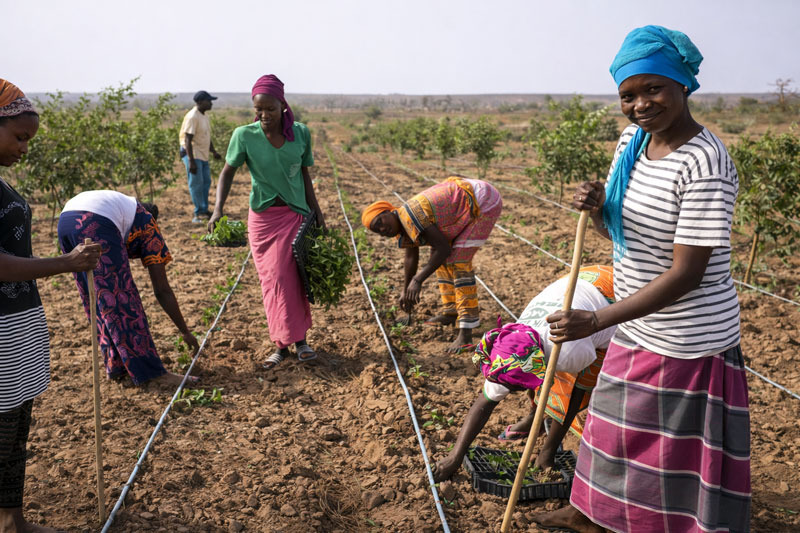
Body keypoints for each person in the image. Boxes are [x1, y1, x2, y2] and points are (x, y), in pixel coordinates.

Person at [533, 26, 750, 533]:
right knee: (611, 427)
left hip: (688, 336)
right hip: (639, 318)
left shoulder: (705, 162)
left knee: (667, 450)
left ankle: (660, 522)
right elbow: (621, 224)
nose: (640, 104)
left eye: (653, 89)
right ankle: (592, 511)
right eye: (628, 95)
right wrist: (598, 206)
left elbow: (687, 273)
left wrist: (597, 319)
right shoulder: (633, 141)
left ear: (682, 86)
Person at [0, 79, 101, 533]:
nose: (24, 148)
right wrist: (66, 262)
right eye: (19, 137)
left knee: (16, 427)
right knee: (2, 432)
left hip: (16, 322)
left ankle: (12, 518)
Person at [432, 265, 616, 482]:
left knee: (574, 383)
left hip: (611, 295)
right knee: (548, 379)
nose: (511, 393)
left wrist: (549, 451)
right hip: (580, 280)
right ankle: (534, 420)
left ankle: (547, 448)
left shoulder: (571, 351)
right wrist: (455, 456)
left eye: (516, 388)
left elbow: (575, 393)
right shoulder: (510, 350)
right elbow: (484, 402)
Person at [208, 74, 326, 370]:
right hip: (263, 218)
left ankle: (299, 342)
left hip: (295, 214)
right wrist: (217, 209)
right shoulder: (244, 135)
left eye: (270, 109)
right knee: (273, 280)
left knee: (293, 278)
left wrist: (318, 212)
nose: (263, 116)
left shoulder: (300, 133)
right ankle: (282, 344)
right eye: (258, 110)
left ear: (282, 106)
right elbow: (227, 172)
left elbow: (304, 176)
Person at [58, 190, 200, 387]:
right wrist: (185, 331)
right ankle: (152, 373)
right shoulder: (147, 223)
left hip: (66, 220)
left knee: (96, 297)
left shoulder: (125, 211)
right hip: (95, 222)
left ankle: (117, 366)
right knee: (122, 299)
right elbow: (162, 289)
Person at [361, 176, 502, 352]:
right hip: (467, 199)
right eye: (378, 231)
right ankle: (451, 312)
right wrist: (406, 291)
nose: (382, 229)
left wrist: (418, 280)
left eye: (380, 222)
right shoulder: (403, 225)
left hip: (484, 200)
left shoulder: (412, 215)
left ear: (389, 211)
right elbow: (411, 258)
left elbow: (443, 248)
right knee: (439, 259)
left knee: (458, 261)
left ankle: (466, 332)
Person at [179, 90, 221, 223]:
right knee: (196, 184)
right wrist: (191, 161)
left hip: (202, 154)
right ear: (200, 102)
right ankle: (198, 213)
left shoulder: (204, 116)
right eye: (209, 101)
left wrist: (213, 151)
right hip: (193, 154)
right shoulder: (192, 116)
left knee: (206, 182)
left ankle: (203, 209)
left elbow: (206, 137)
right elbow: (187, 140)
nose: (211, 103)